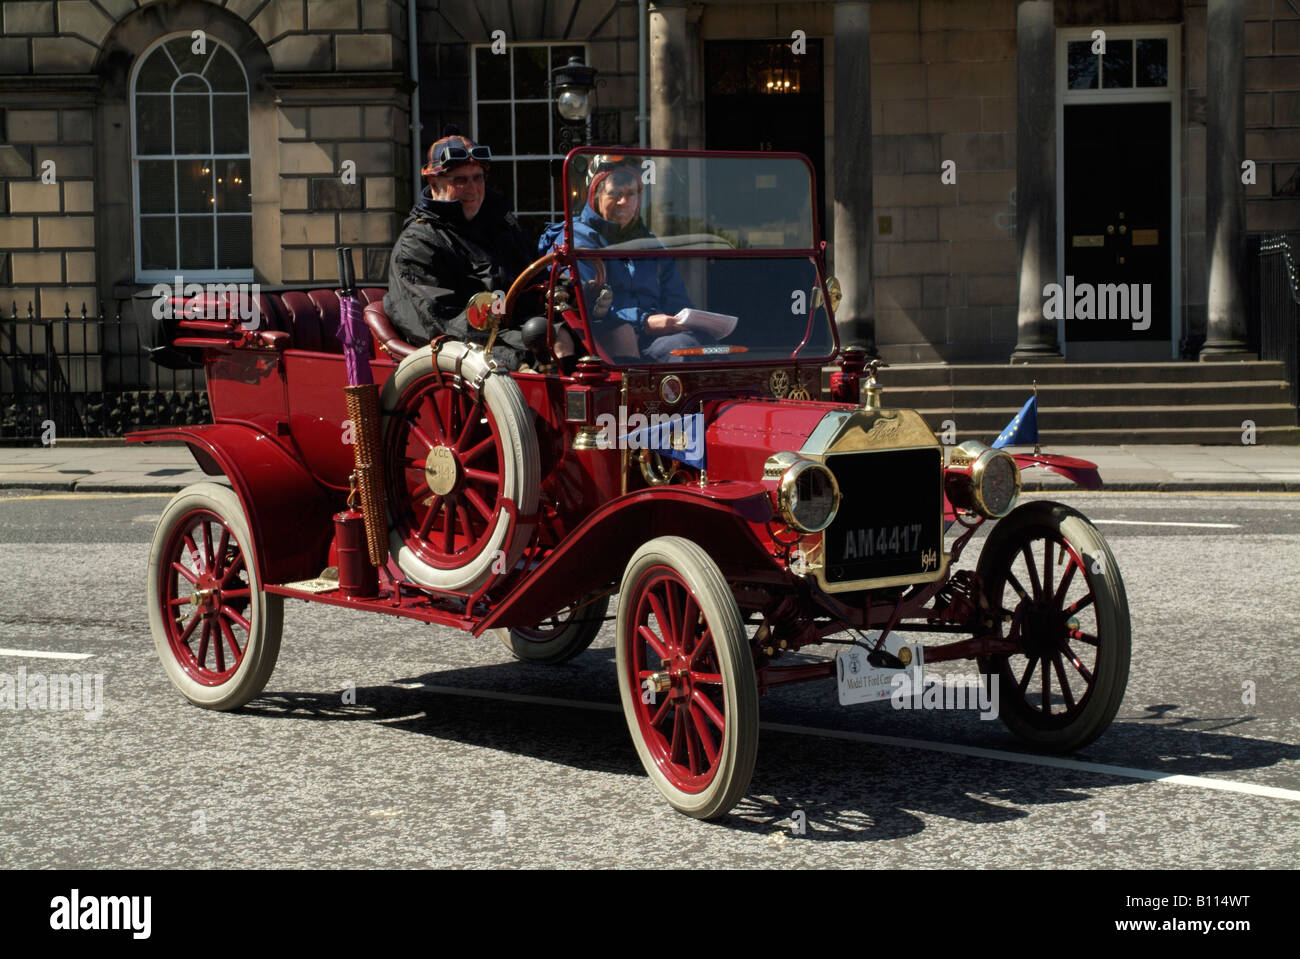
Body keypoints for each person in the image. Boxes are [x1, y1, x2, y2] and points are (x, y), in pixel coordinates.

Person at [384, 130, 573, 369]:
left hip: (517, 329)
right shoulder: (417, 244)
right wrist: (516, 354)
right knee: (549, 348)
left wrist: (568, 289)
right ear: (434, 184)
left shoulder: (502, 226)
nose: (472, 189)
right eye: (459, 180)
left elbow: (534, 279)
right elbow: (437, 323)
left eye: (478, 178)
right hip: (468, 346)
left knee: (580, 337)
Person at [565, 159, 709, 362]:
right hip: (605, 341)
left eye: (631, 194)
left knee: (709, 350)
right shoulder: (578, 242)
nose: (624, 201)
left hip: (655, 337)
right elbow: (584, 309)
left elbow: (677, 301)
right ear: (595, 196)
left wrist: (689, 321)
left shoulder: (650, 245)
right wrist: (644, 322)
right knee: (679, 350)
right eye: (614, 193)